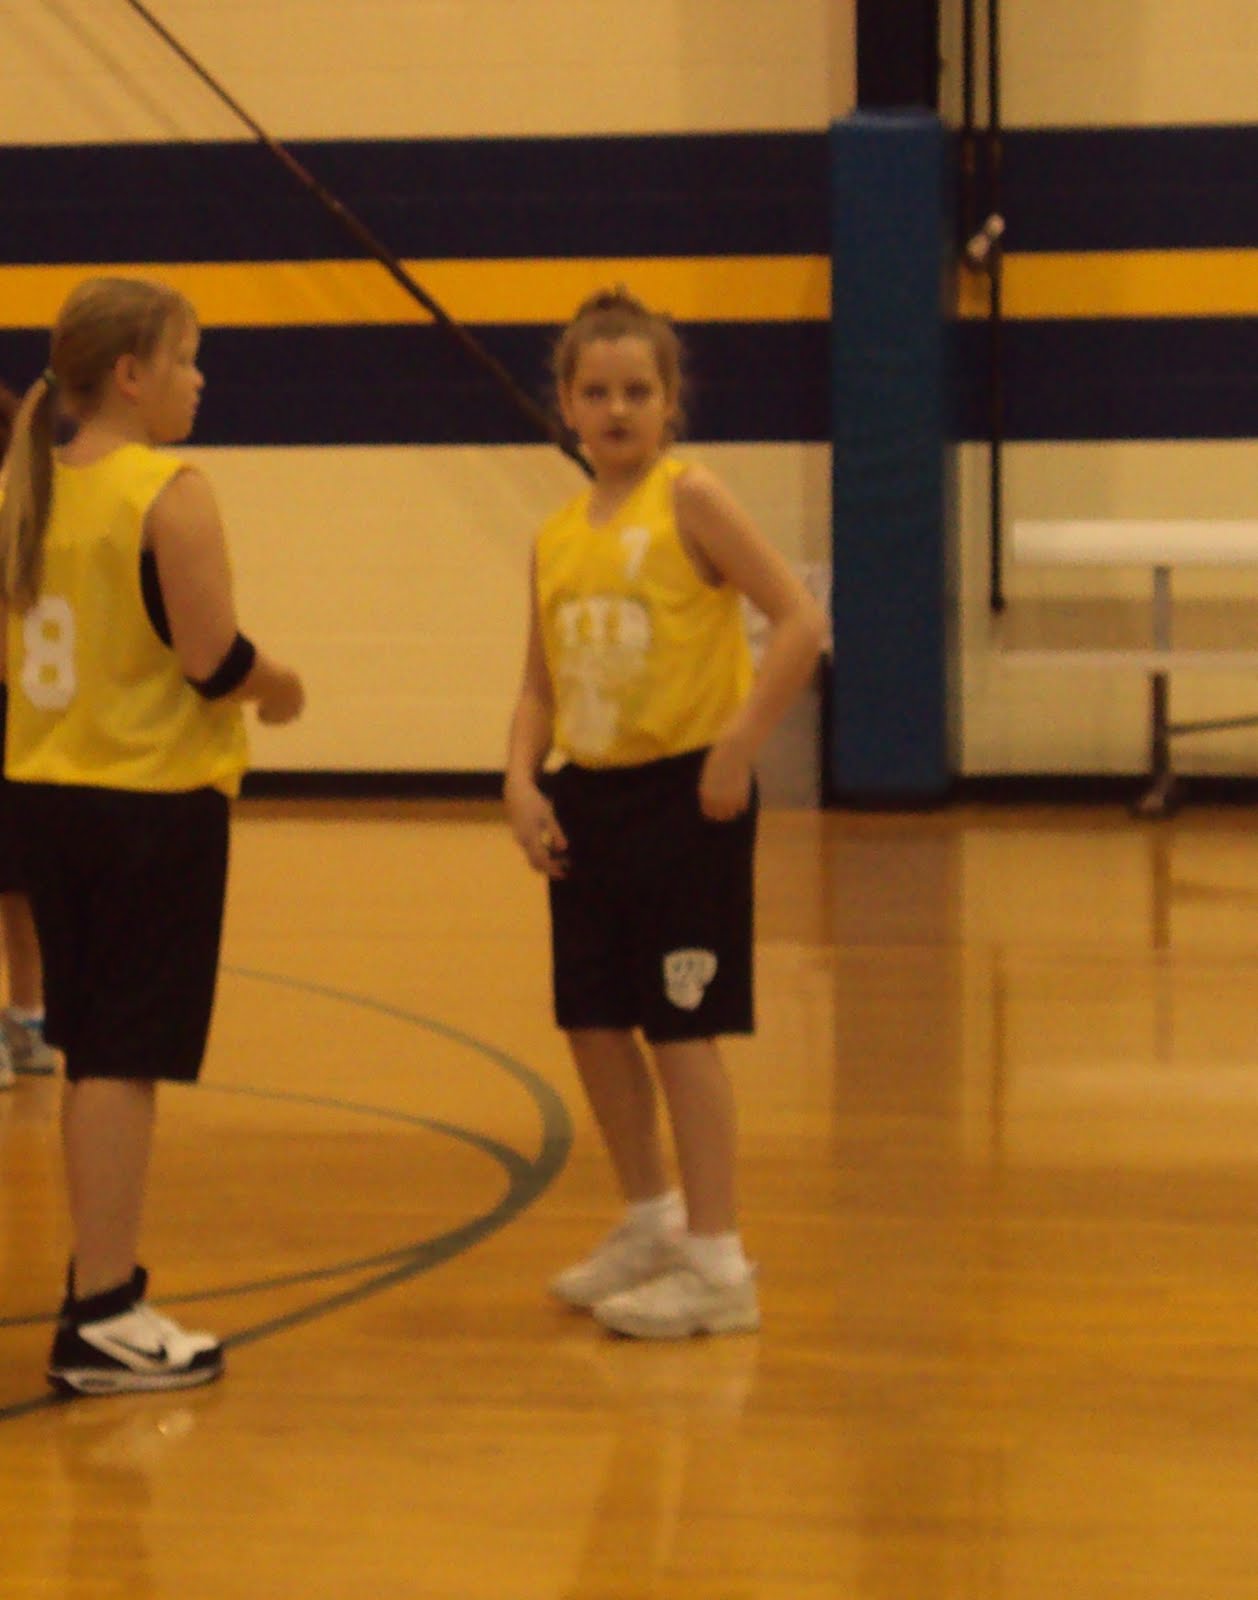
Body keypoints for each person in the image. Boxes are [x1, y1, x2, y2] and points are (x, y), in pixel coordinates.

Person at [0, 276, 305, 1394]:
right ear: (130, 375)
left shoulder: (23, 489)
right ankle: (103, 1313)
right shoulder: (167, 492)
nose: (200, 379)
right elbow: (212, 660)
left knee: (93, 1055)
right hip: (148, 805)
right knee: (122, 1062)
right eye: (186, 358)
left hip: (45, 794)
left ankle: (101, 1294)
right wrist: (284, 688)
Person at [504, 289, 826, 1339]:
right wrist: (519, 780)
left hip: (687, 795)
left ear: (670, 401)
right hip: (587, 797)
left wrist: (739, 745)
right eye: (596, 391)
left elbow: (799, 621)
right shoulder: (555, 536)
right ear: (564, 404)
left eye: (637, 391)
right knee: (593, 1018)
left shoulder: (691, 500)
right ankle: (651, 1219)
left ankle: (719, 1263)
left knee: (682, 1028)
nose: (616, 409)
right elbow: (539, 682)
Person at [0, 380, 57, 1090]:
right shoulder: (34, 513)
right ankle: (29, 1019)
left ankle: (25, 1021)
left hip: (15, 710)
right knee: (18, 881)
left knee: (18, 879)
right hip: (29, 717)